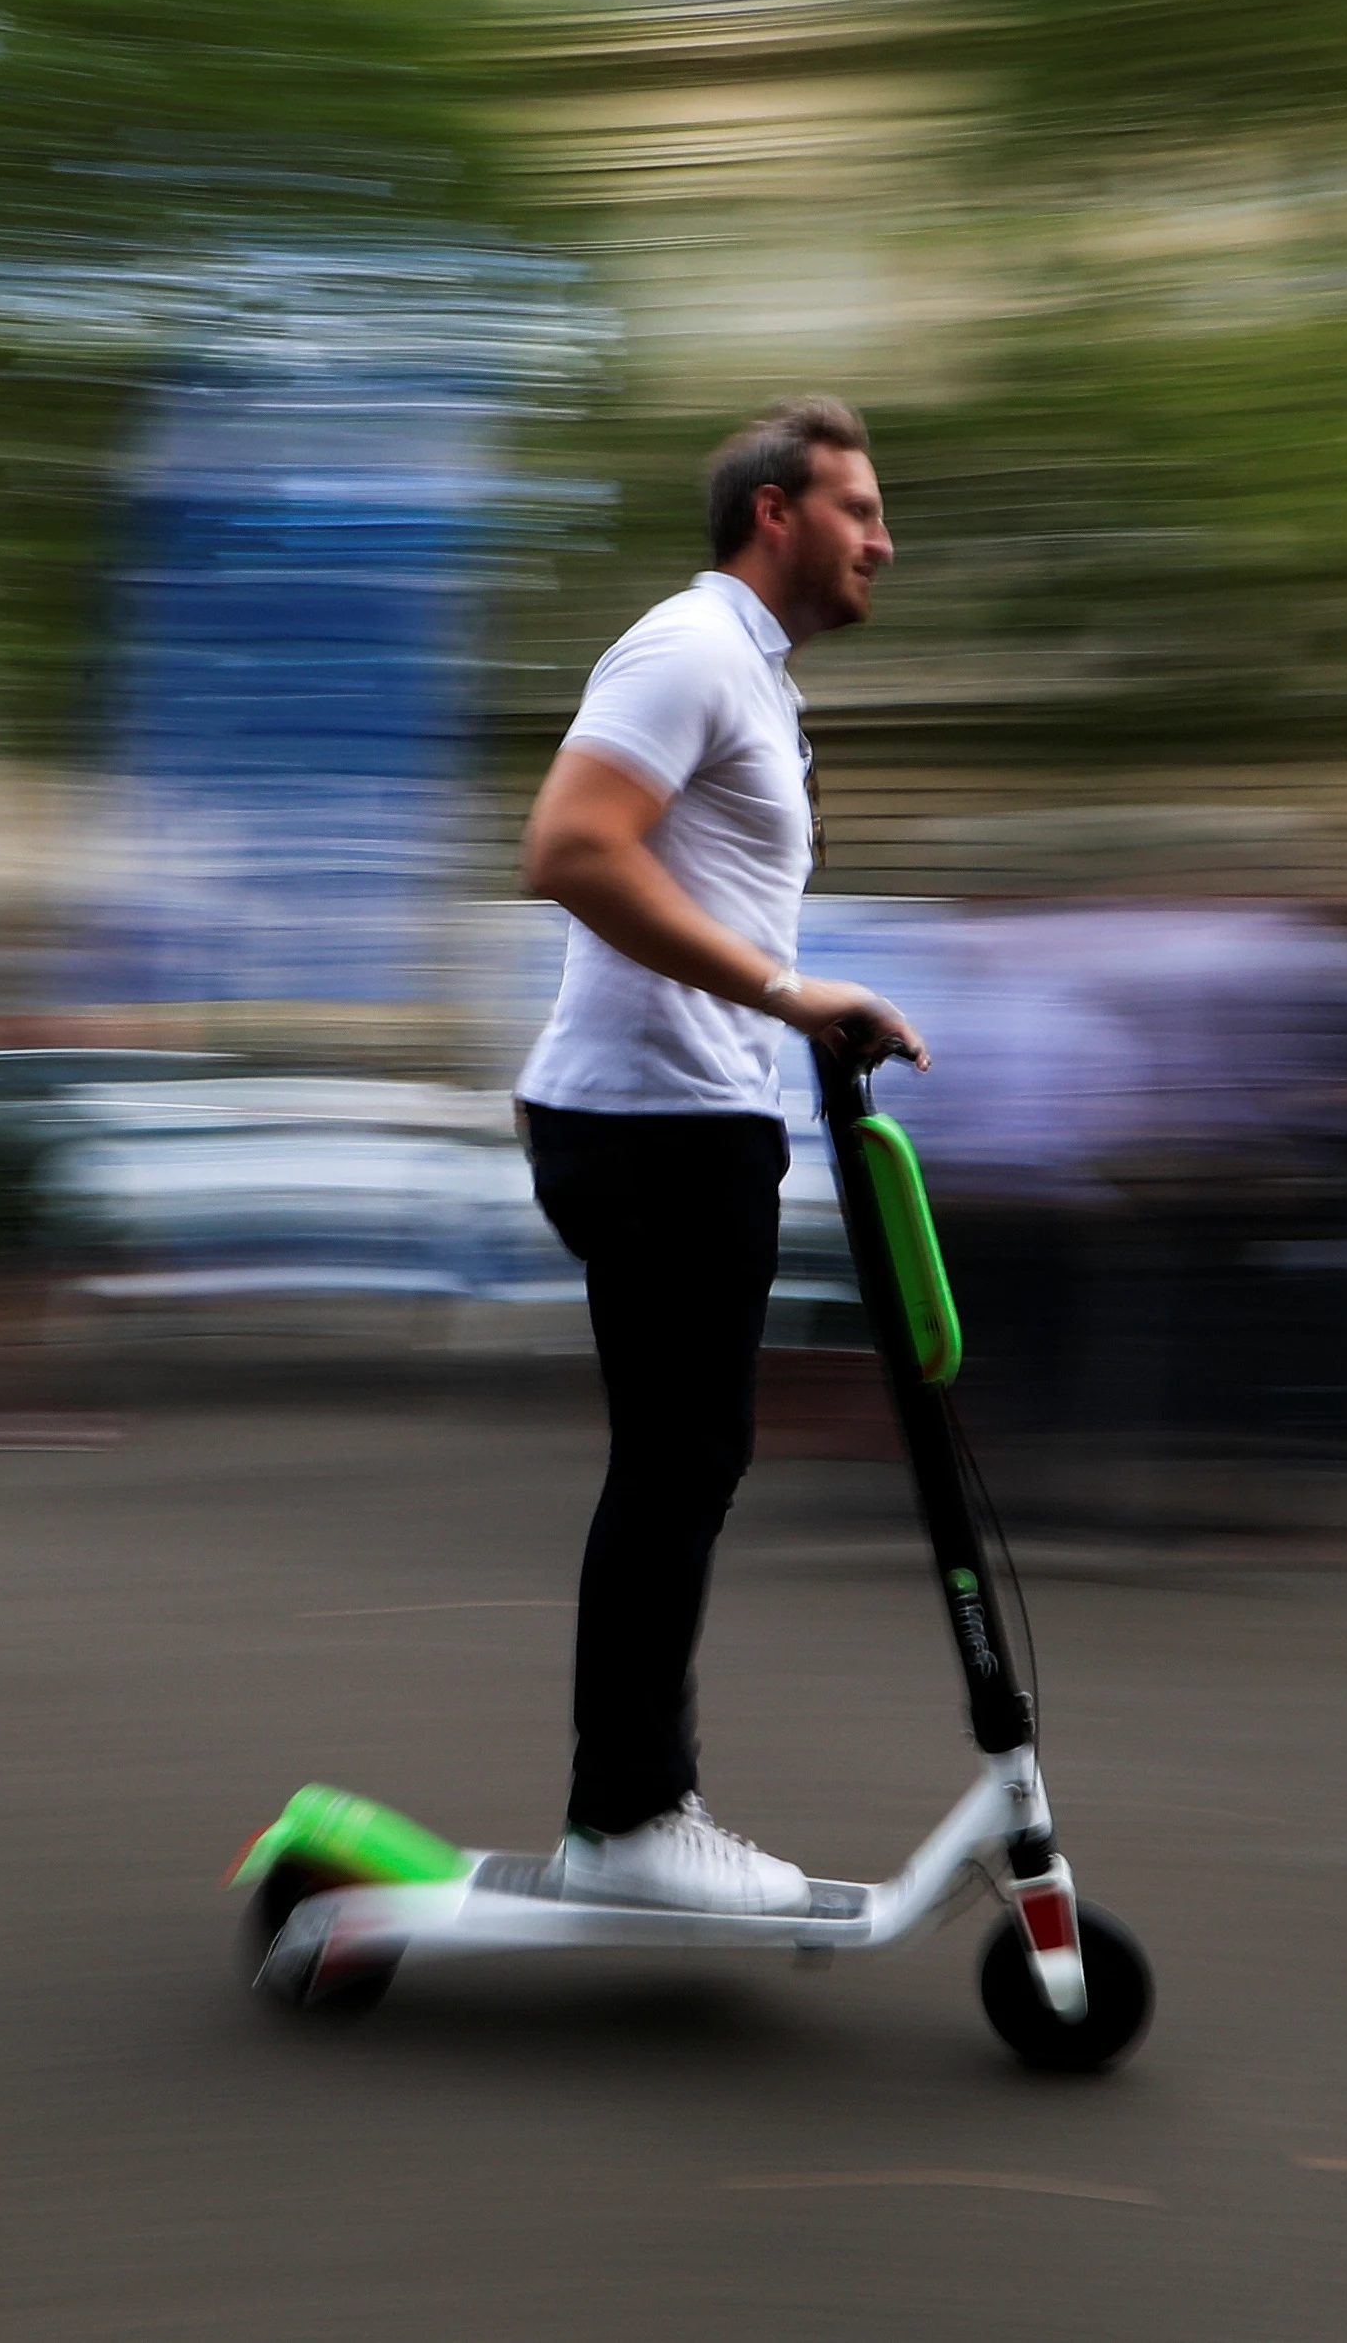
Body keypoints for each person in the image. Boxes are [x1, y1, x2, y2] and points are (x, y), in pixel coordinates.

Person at [512, 394, 928, 1912]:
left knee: (687, 1458)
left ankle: (626, 1811)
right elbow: (566, 848)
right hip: (646, 1124)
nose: (887, 539)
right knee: (681, 1458)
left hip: (692, 1117)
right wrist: (778, 990)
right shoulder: (688, 651)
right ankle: (628, 1819)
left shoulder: (749, 676)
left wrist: (791, 1023)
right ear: (777, 513)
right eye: (861, 509)